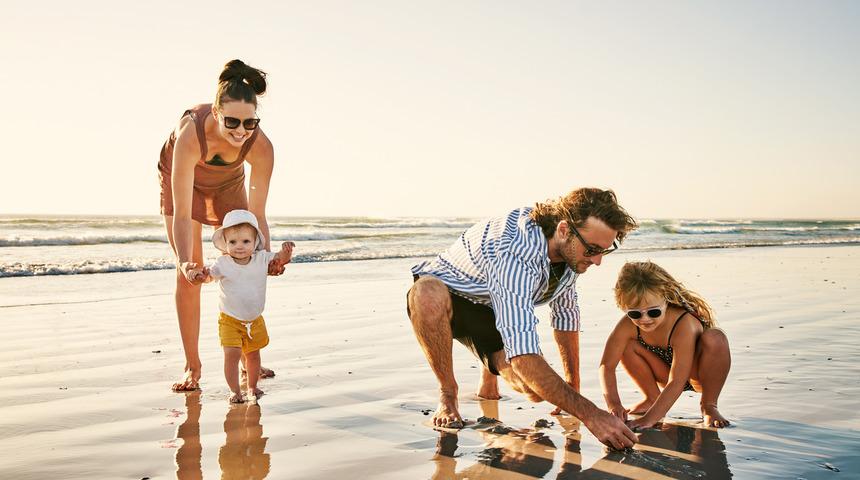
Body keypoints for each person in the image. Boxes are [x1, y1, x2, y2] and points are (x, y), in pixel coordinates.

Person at [408, 187, 640, 449]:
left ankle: (488, 381)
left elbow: (565, 314)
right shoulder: (515, 252)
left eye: (604, 251)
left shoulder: (572, 252)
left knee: (532, 391)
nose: (597, 261)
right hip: (448, 292)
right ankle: (448, 394)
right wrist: (591, 414)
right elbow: (524, 356)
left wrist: (572, 389)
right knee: (427, 293)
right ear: (564, 230)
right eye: (592, 250)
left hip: (491, 305)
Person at [158, 59, 285, 392]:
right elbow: (184, 215)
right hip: (181, 181)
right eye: (232, 121)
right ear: (216, 113)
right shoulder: (191, 134)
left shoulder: (260, 147)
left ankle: (248, 359)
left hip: (228, 183)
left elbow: (257, 215)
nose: (241, 131)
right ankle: (192, 367)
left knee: (244, 260)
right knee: (191, 273)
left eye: (250, 123)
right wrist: (185, 262)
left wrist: (268, 258)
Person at [599, 261, 731, 429]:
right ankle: (651, 398)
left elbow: (677, 381)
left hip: (697, 374)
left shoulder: (683, 322)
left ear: (666, 299)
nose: (645, 319)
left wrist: (648, 420)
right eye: (634, 313)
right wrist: (614, 405)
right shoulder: (627, 325)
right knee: (625, 344)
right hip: (664, 372)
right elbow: (606, 366)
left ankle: (709, 405)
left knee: (716, 337)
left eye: (653, 312)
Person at [190, 209, 294, 403]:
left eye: (245, 241)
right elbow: (208, 276)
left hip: (254, 320)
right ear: (225, 243)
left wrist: (286, 252)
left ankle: (252, 387)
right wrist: (200, 276)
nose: (239, 247)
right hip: (229, 320)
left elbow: (280, 259)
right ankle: (234, 391)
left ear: (255, 242)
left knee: (253, 357)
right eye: (233, 242)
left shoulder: (261, 259)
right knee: (232, 355)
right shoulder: (223, 263)